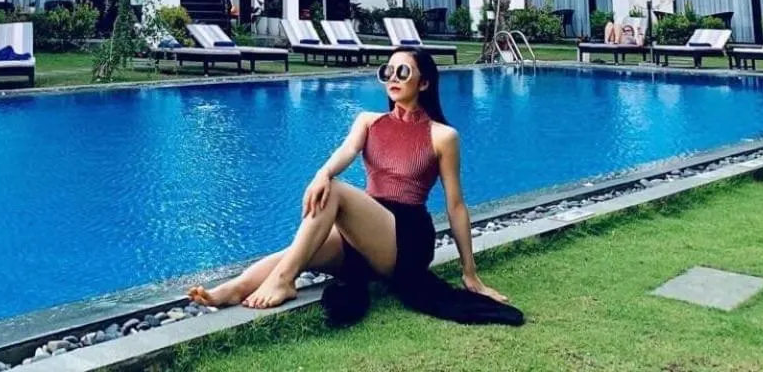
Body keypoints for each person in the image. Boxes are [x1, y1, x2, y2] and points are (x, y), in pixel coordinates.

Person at [189, 49, 523, 327]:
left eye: (402, 71)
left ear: (423, 83)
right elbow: (346, 152)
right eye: (387, 70)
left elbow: (456, 206)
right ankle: (232, 289)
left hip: (405, 236)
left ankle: (284, 281)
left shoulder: (442, 136)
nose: (392, 77)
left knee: (333, 191)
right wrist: (321, 173)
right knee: (297, 247)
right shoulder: (368, 121)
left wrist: (470, 273)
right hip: (365, 225)